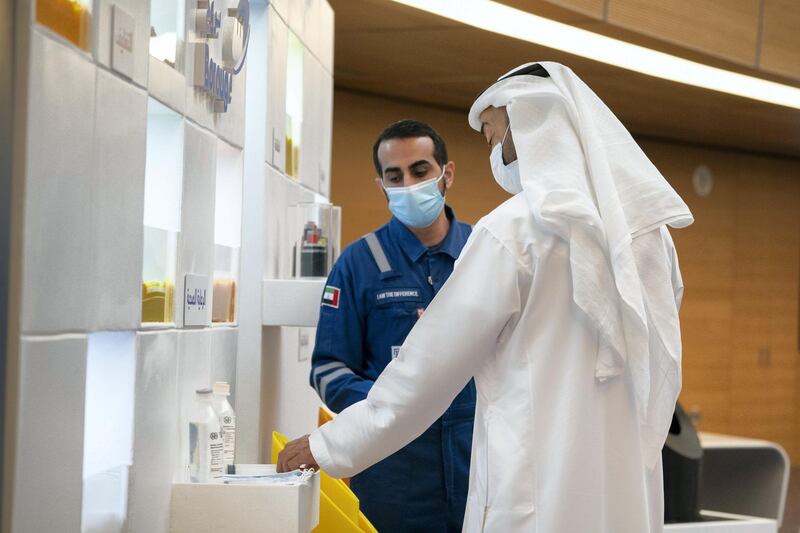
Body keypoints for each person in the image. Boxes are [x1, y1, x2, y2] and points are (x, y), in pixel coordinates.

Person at [279, 62, 693, 533]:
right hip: (624, 498)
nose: (494, 152)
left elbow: (424, 372)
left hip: (537, 497)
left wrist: (329, 445)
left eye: (494, 136)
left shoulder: (512, 232)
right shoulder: (647, 235)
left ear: (531, 126)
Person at [307, 119, 476, 532]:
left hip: (480, 466)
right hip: (393, 475)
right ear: (381, 185)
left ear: (446, 174)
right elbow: (327, 369)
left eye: (420, 171)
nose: (408, 184)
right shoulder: (358, 263)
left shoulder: (483, 253)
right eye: (394, 176)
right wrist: (393, 406)